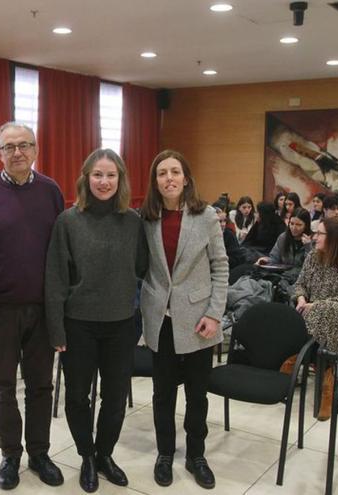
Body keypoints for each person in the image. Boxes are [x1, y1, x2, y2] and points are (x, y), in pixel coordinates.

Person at [0, 122, 65, 490]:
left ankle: (39, 453)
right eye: (10, 147)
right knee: (4, 385)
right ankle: (10, 454)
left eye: (25, 145)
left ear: (36, 150)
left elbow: (60, 252)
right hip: (0, 309)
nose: (18, 152)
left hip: (42, 308)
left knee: (41, 385)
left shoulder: (52, 192)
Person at [45, 149, 146, 493]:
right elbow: (56, 277)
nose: (104, 182)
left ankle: (105, 454)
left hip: (120, 324)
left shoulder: (133, 222)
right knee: (76, 396)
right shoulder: (68, 221)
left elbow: (143, 269)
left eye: (111, 175)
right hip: (78, 324)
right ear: (86, 178)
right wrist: (56, 327)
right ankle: (86, 455)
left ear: (121, 180)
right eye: (98, 175)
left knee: (116, 397)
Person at [139, 150, 229, 490]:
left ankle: (196, 455)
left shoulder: (205, 215)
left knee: (196, 394)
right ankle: (164, 453)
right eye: (162, 173)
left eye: (175, 171)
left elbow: (220, 266)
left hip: (197, 318)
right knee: (163, 394)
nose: (169, 178)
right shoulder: (146, 217)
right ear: (155, 181)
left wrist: (214, 314)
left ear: (186, 178)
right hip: (159, 317)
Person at [293, 218, 338, 421]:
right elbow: (299, 284)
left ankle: (298, 357)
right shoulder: (312, 258)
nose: (315, 237)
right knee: (324, 313)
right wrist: (300, 298)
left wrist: (315, 305)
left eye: (320, 233)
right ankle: (329, 374)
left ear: (334, 238)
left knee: (329, 310)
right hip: (316, 314)